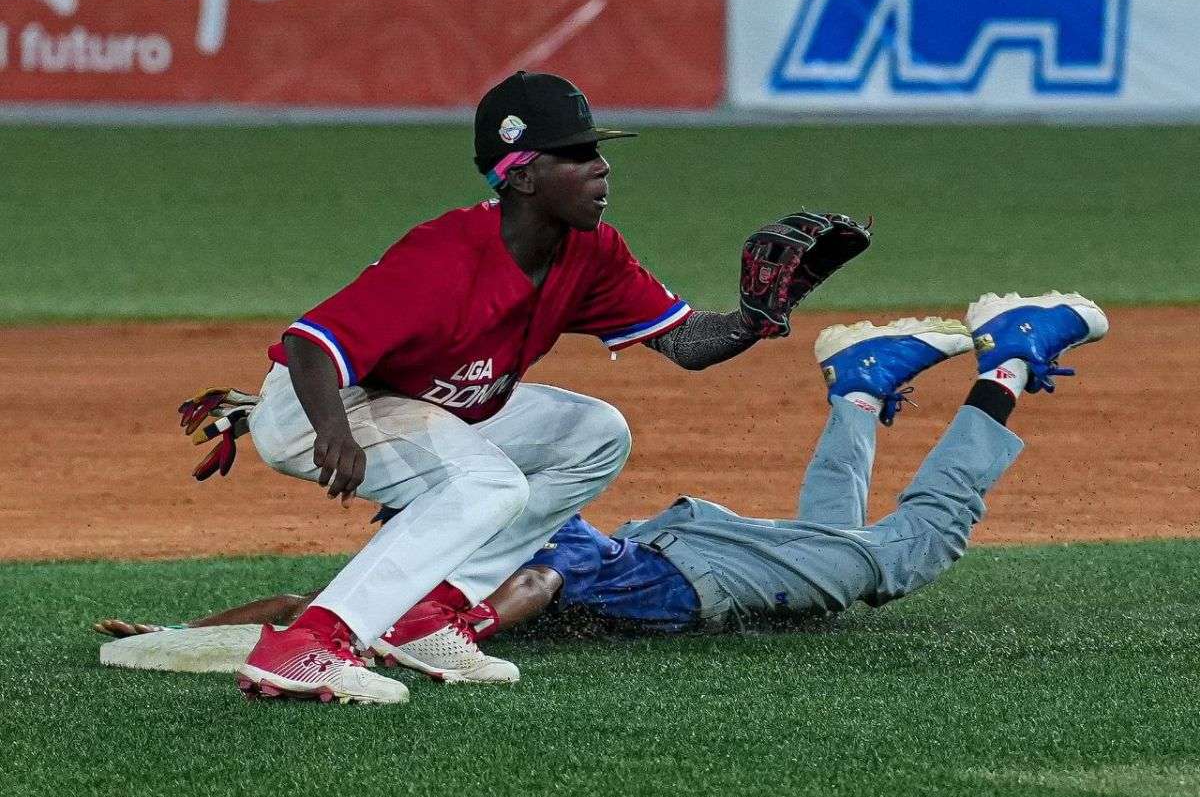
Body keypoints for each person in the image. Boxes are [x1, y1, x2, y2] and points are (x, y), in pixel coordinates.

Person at [225, 70, 871, 704]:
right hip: (321, 405)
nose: (601, 168)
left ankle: (429, 614)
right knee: (489, 483)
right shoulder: (445, 258)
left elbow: (684, 341)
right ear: (524, 174)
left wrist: (754, 320)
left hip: (422, 399)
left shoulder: (590, 253)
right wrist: (334, 431)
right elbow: (312, 345)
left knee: (595, 436)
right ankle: (313, 641)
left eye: (598, 152)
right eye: (578, 154)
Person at [110, 292, 1106, 661]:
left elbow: (540, 582)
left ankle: (1010, 360)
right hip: (683, 555)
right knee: (841, 564)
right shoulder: (447, 522)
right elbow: (311, 604)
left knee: (900, 556)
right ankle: (858, 389)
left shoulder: (475, 518)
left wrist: (467, 627)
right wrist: (174, 636)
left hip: (691, 575)